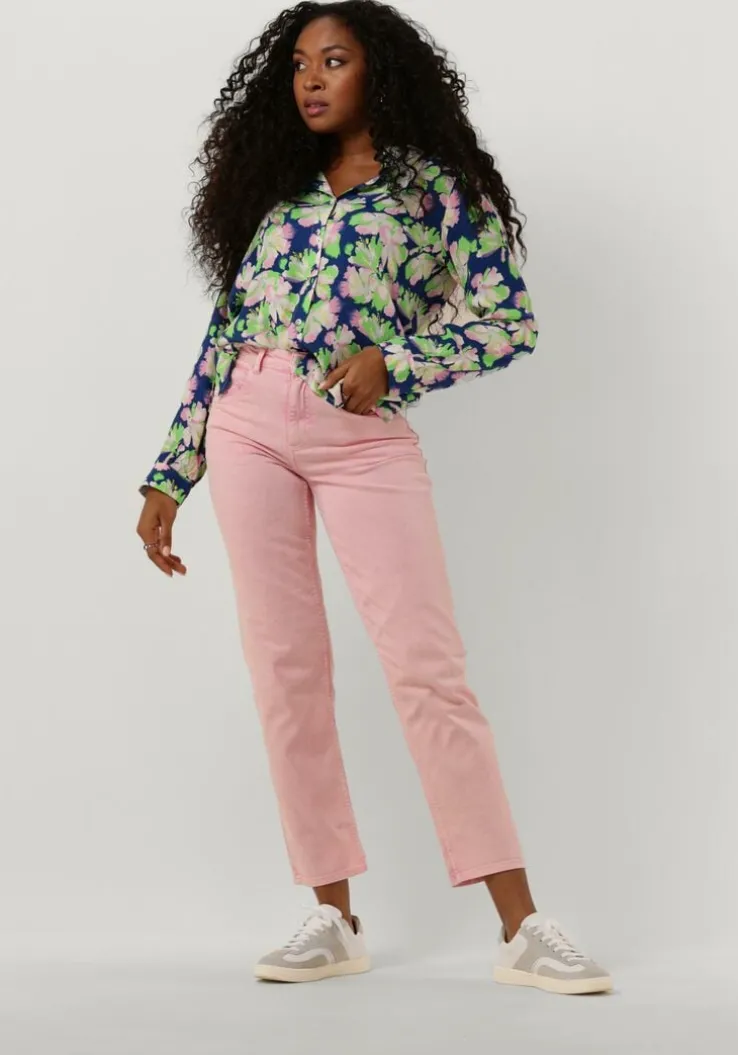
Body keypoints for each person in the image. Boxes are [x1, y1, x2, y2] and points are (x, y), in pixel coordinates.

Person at [136, 0, 612, 995]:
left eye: (334, 60)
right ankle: (333, 913)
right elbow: (227, 334)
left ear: (378, 73)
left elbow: (508, 321)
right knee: (285, 671)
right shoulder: (277, 192)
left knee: (428, 671)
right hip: (247, 422)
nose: (310, 80)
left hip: (361, 437)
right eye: (299, 64)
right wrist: (171, 471)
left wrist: (396, 360)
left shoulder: (435, 191)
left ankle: (522, 924)